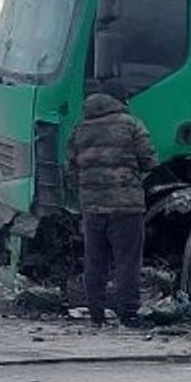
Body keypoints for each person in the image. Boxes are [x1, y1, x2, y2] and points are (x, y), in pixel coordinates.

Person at [66, 79, 156, 327]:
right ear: (121, 99)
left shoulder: (80, 127)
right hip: (126, 206)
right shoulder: (132, 125)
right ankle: (128, 314)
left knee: (95, 261)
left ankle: (96, 315)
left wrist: (87, 191)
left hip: (92, 207)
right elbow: (149, 161)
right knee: (127, 262)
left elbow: (70, 168)